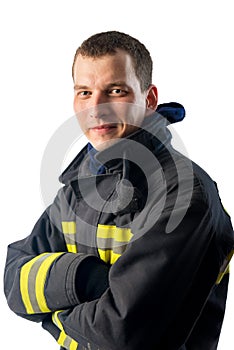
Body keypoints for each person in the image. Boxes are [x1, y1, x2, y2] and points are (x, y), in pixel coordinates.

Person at [4, 31, 234, 350]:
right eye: (84, 92)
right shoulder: (78, 188)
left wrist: (51, 317)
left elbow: (121, 337)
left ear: (149, 99)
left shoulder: (184, 194)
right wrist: (86, 277)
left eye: (115, 90)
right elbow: (14, 282)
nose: (95, 109)